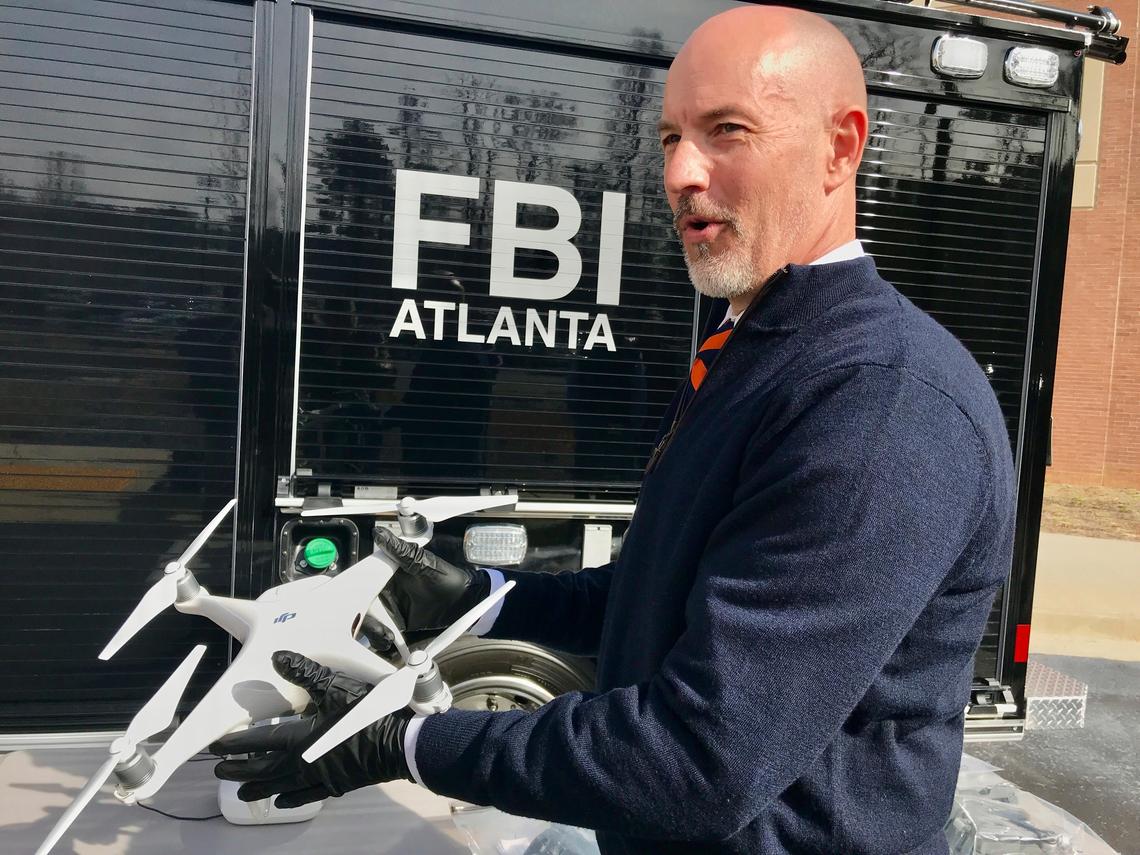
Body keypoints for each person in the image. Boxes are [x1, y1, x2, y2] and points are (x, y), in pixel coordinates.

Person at [212, 7, 1015, 853]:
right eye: (669, 138)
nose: (680, 172)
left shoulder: (877, 402)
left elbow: (699, 760)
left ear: (840, 148)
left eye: (727, 130)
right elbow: (656, 599)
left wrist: (401, 742)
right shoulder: (757, 349)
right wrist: (483, 599)